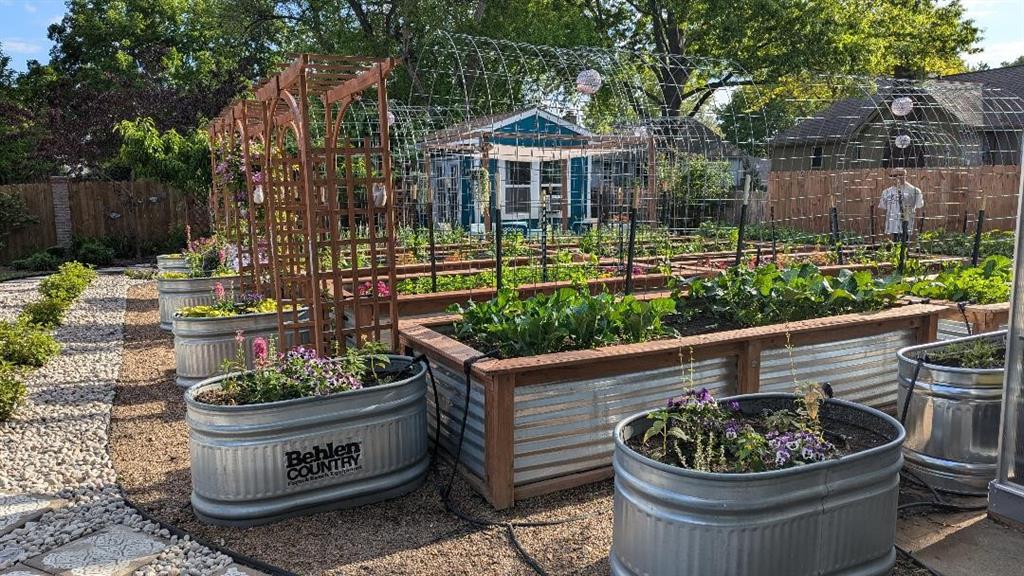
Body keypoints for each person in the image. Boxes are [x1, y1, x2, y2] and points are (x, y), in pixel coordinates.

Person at [879, 168, 923, 241]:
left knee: (904, 241)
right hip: (892, 224)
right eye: (893, 176)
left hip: (906, 222)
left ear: (905, 176)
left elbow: (919, 207)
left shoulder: (915, 191)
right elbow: (883, 208)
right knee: (894, 242)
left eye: (900, 175)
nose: (896, 177)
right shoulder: (886, 192)